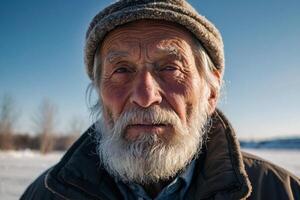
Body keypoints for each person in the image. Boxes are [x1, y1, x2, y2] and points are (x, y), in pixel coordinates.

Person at [21, 0, 300, 199]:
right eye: (121, 70)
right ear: (98, 92)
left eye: (170, 68)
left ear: (211, 92)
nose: (144, 97)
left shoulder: (281, 191)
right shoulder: (45, 194)